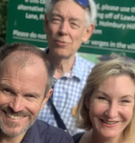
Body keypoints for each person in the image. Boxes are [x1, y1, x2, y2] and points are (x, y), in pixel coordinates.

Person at [39, 0, 97, 135]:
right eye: (56, 20)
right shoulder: (24, 69)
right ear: (46, 23)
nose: (63, 30)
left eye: (74, 24)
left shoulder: (96, 80)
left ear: (87, 32)